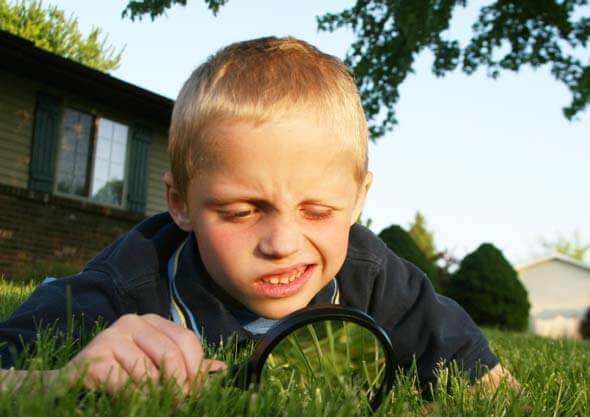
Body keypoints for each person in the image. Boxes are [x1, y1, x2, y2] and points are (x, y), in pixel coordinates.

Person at [0, 37, 518, 395]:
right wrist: (60, 381)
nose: (282, 242)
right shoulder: (129, 285)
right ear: (180, 203)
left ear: (358, 200)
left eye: (318, 211)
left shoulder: (377, 279)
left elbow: (490, 387)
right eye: (241, 211)